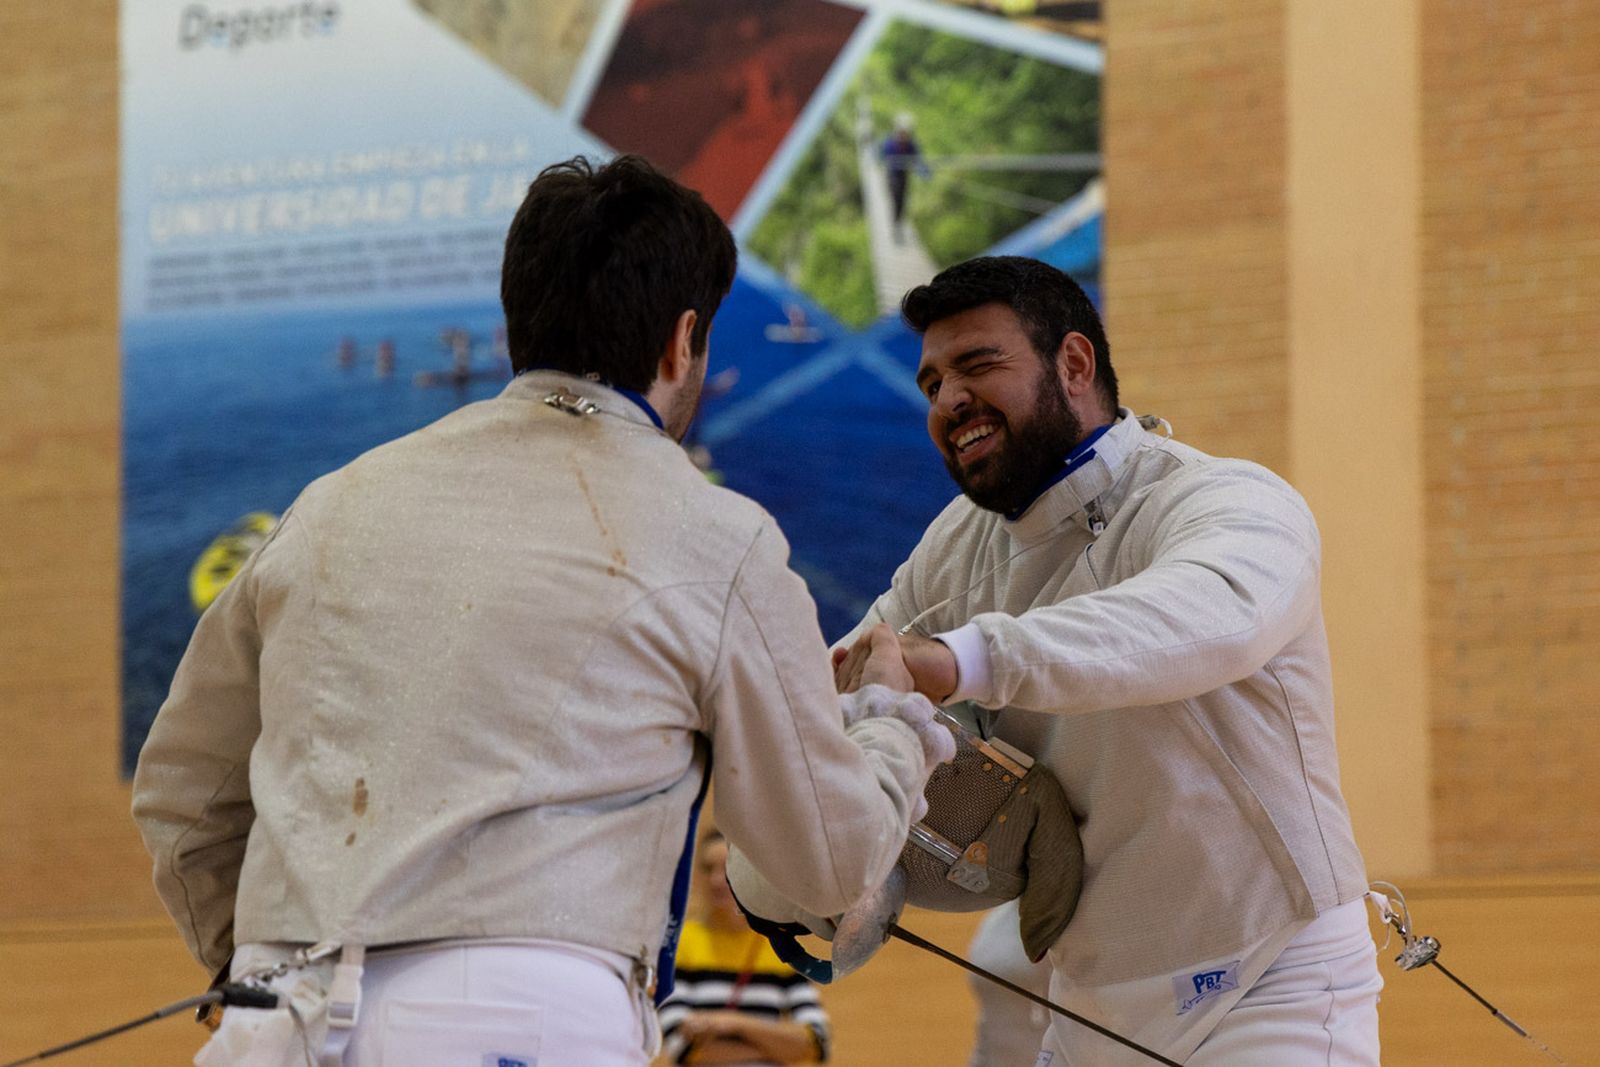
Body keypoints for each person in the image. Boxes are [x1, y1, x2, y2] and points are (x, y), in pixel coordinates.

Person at [131, 154, 953, 1067]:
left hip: (272, 1027)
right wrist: (891, 724)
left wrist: (252, 974)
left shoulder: (328, 505)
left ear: (518, 317)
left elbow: (182, 792)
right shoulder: (722, 535)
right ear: (683, 341)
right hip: (524, 1023)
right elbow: (826, 866)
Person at [831, 255, 1381, 1064]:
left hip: (1272, 980)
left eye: (978, 364)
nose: (949, 399)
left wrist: (959, 659)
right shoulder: (956, 547)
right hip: (1087, 1001)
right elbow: (846, 685)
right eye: (933, 383)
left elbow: (1208, 616)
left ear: (1075, 363)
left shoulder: (1224, 500)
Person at [659, 830, 831, 1065]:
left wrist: (732, 1023)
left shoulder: (778, 945)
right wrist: (776, 1045)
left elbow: (817, 1044)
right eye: (708, 869)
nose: (716, 880)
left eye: (727, 868)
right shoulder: (681, 945)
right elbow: (682, 1049)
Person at [879, 113, 929, 236]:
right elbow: (882, 156)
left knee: (902, 200)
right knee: (896, 199)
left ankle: (899, 224)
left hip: (904, 175)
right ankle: (896, 226)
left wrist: (924, 170)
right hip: (892, 174)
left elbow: (918, 159)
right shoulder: (890, 143)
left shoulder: (911, 144)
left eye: (906, 132)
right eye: (902, 132)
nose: (904, 134)